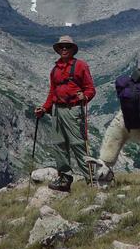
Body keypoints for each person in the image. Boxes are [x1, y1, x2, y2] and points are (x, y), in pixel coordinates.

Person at [34, 35, 96, 192]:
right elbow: (52, 93)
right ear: (58, 49)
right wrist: (44, 108)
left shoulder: (80, 66)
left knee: (78, 144)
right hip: (57, 111)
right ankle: (65, 179)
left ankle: (92, 179)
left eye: (67, 47)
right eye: (61, 47)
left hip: (73, 110)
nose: (64, 49)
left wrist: (85, 96)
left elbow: (90, 89)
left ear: (72, 49)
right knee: (59, 145)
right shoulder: (54, 70)